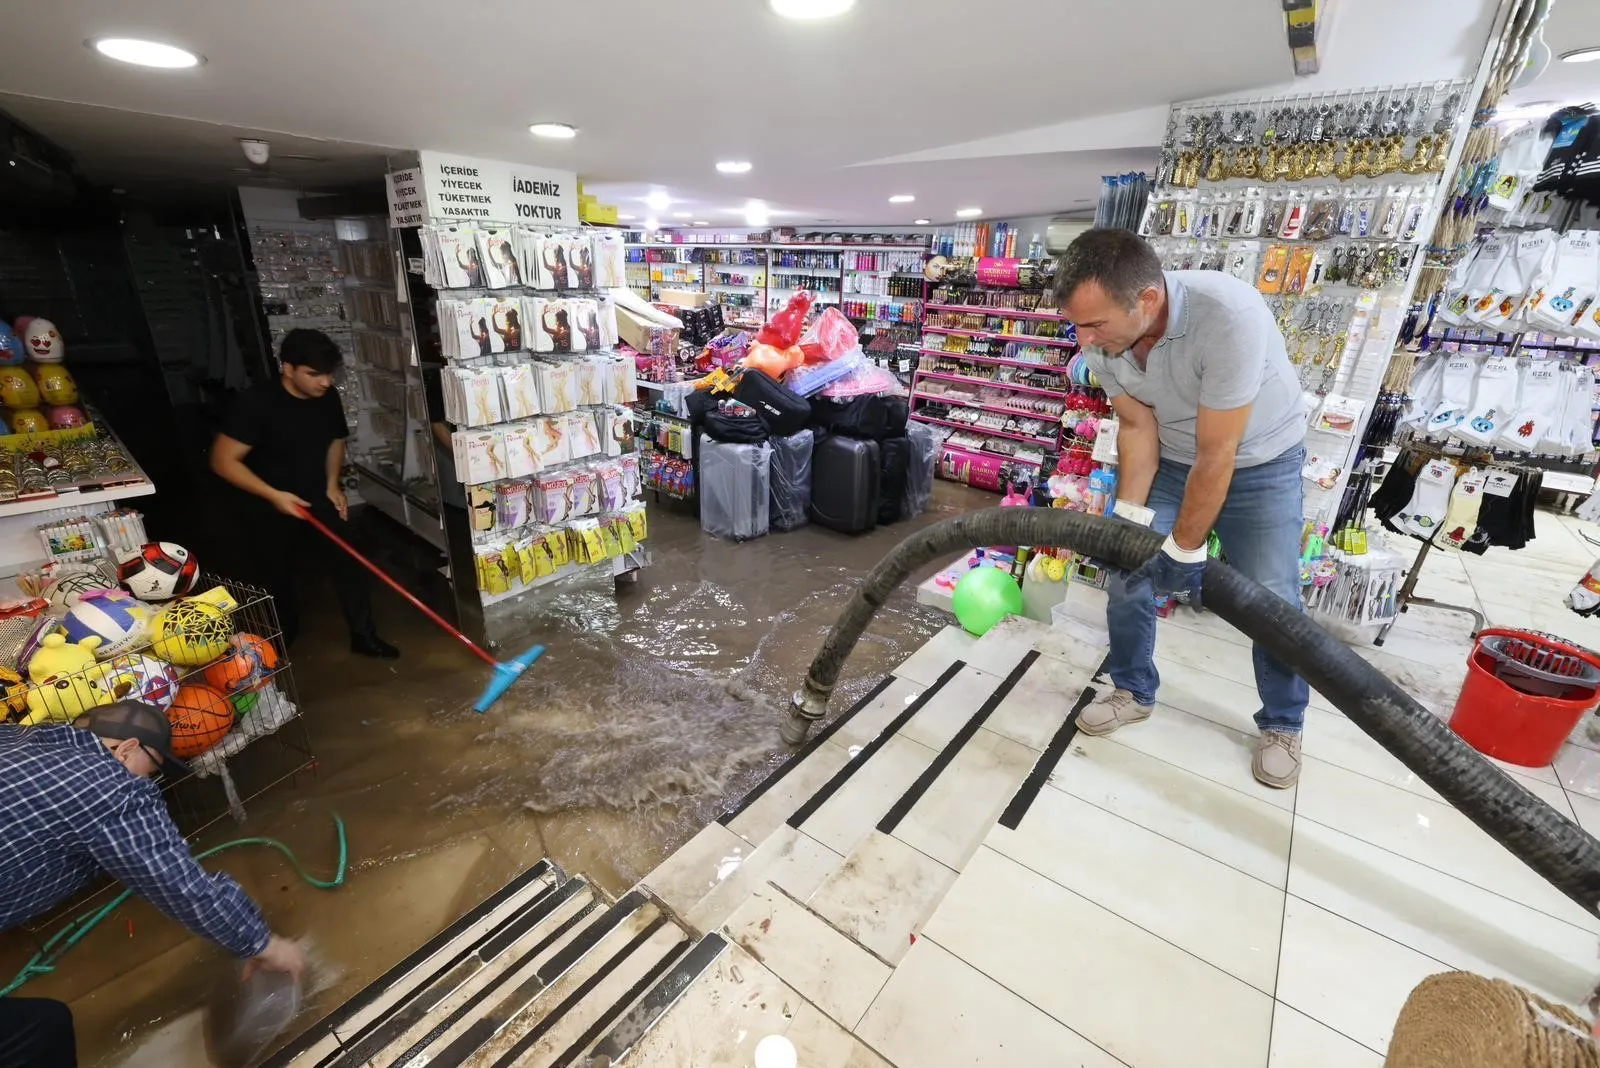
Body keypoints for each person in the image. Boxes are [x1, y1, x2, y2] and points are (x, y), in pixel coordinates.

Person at [1054, 228, 1310, 788]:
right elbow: (1138, 427)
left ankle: (1284, 723)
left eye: (1094, 323)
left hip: (1259, 460)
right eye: (1077, 323)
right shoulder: (1102, 341)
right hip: (1171, 454)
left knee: (1272, 597)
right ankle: (1132, 689)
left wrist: (1185, 548)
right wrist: (1128, 525)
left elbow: (1219, 453)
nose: (1084, 337)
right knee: (1126, 573)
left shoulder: (1227, 316)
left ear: (1146, 301)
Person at [0, 703, 305, 1067]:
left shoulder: (22, 737)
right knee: (43, 1031)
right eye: (151, 768)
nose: (147, 781)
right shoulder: (108, 787)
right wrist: (263, 943)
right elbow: (182, 886)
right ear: (127, 748)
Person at [211, 329, 398, 658]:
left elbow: (335, 441)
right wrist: (274, 495)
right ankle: (279, 645)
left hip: (316, 494)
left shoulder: (327, 397)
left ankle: (363, 635)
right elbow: (223, 461)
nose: (325, 382)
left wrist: (332, 485)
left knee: (348, 560)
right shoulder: (256, 403)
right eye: (314, 374)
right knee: (276, 576)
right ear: (288, 368)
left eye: (329, 374)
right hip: (265, 502)